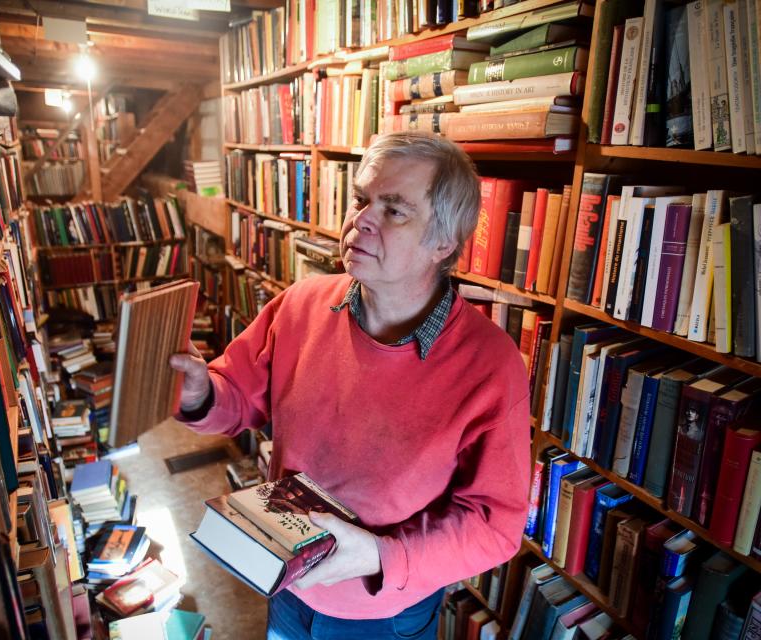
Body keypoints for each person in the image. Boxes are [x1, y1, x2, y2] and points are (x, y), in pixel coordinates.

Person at [170, 132, 531, 640]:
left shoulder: (492, 365)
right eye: (361, 200)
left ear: (443, 244)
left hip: (384, 610)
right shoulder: (301, 303)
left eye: (394, 211)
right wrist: (200, 393)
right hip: (287, 582)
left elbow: (495, 524)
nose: (360, 220)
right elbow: (236, 392)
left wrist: (383, 555)